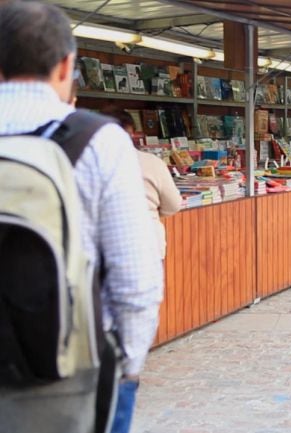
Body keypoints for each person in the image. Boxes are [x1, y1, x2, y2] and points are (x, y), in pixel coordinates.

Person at [0, 2, 163, 433]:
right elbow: (135, 276)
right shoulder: (98, 140)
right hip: (72, 364)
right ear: (67, 64)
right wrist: (126, 363)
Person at [103, 107, 182, 261]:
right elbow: (173, 204)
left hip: (106, 246)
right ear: (132, 133)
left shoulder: (88, 163)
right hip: (148, 242)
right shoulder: (152, 162)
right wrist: (153, 211)